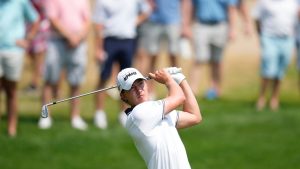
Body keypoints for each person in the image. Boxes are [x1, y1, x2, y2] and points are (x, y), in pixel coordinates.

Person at [116, 67, 202, 169]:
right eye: (131, 87)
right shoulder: (138, 115)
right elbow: (179, 97)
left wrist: (181, 80)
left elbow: (194, 116)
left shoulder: (156, 111)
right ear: (123, 96)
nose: (138, 89)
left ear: (146, 84)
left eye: (140, 83)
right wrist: (168, 80)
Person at [92, 0, 151, 129]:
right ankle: (99, 113)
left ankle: (124, 113)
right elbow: (98, 24)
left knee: (128, 81)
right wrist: (98, 48)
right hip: (109, 40)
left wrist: (134, 22)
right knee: (104, 76)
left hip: (128, 40)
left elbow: (147, 9)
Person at [37, 0, 91, 130]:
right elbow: (52, 19)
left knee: (76, 82)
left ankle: (75, 117)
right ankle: (45, 116)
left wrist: (77, 37)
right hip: (56, 41)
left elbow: (88, 20)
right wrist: (70, 36)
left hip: (79, 42)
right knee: (50, 79)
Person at [135, 0, 192, 98]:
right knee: (152, 56)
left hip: (173, 21)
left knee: (173, 56)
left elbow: (186, 2)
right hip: (154, 21)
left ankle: (177, 88)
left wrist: (185, 24)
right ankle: (151, 91)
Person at [0, 0, 39, 136]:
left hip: (13, 51)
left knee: (11, 91)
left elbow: (35, 19)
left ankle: (12, 127)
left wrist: (28, 38)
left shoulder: (21, 2)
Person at [253, 0, 299, 111]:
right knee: (268, 69)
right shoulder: (264, 2)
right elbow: (256, 18)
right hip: (269, 37)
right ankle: (262, 98)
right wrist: (261, 35)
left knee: (280, 71)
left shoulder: (293, 2)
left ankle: (275, 98)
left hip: (288, 39)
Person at [188, 0, 238, 100]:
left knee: (217, 60)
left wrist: (232, 29)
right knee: (199, 58)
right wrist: (187, 25)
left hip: (220, 25)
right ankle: (192, 91)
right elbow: (190, 6)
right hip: (201, 24)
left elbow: (231, 8)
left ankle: (215, 90)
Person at [24, 0, 49, 93]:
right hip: (30, 26)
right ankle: (37, 78)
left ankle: (35, 83)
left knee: (39, 56)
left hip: (42, 27)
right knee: (32, 56)